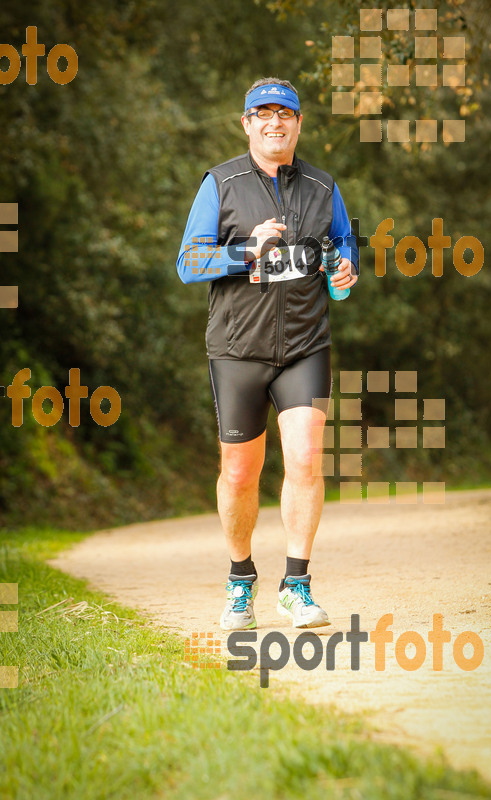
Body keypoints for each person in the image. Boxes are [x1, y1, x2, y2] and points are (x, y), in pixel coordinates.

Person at [177, 78, 358, 631]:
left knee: (305, 458)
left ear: (299, 124)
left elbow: (343, 263)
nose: (275, 123)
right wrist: (245, 250)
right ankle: (239, 580)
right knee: (239, 472)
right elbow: (188, 263)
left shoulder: (325, 188)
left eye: (285, 114)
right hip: (237, 350)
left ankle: (297, 585)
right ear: (247, 124)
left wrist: (345, 277)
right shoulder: (220, 184)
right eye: (264, 115)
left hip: (305, 346)